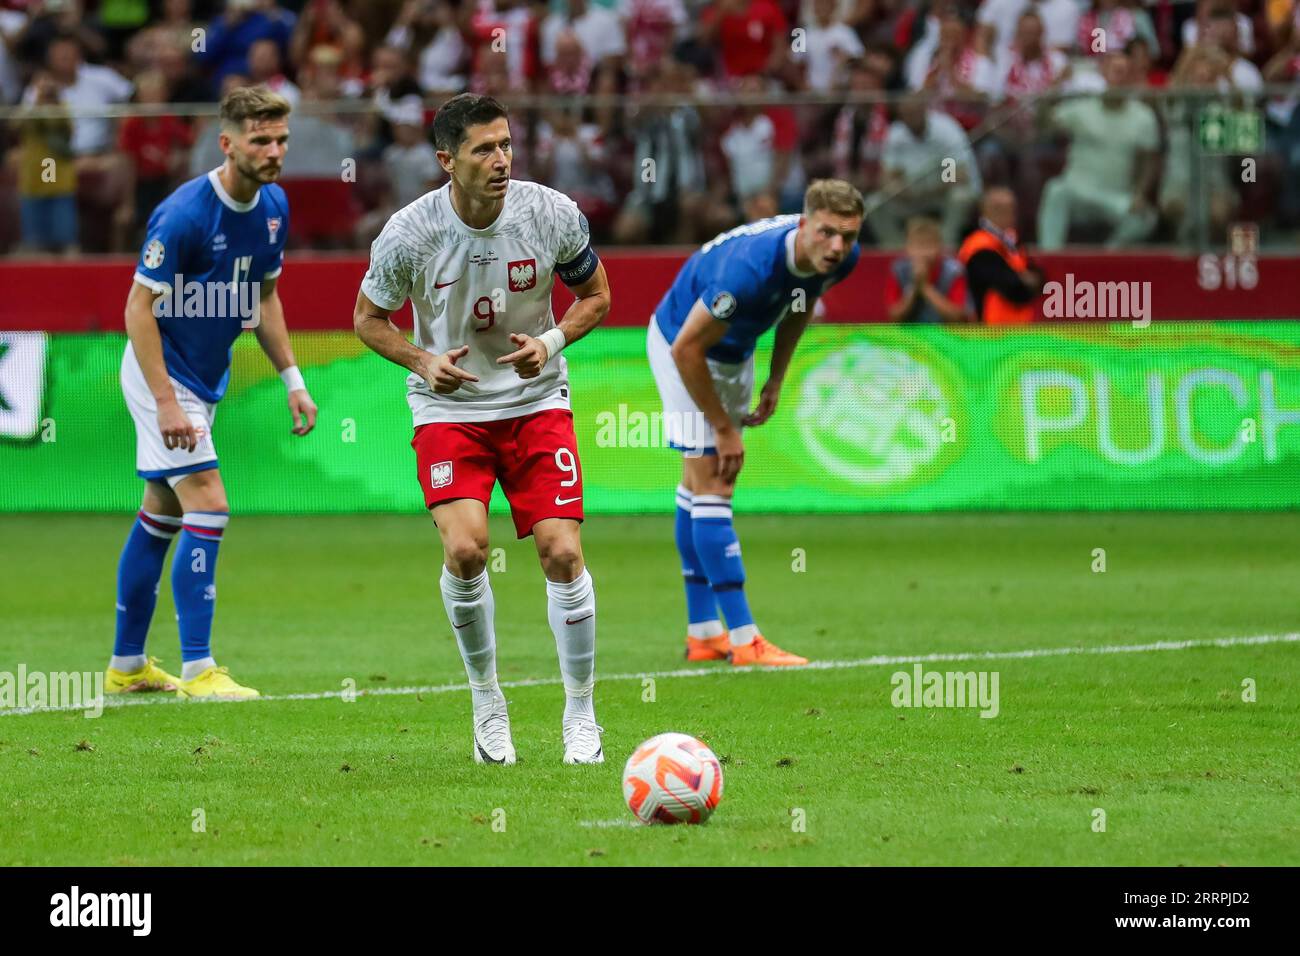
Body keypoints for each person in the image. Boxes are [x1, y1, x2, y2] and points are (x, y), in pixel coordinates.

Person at [352, 94, 612, 766]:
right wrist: (421, 359)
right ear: (446, 160)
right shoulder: (409, 234)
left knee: (561, 552)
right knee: (466, 550)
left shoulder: (550, 213)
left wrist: (551, 342)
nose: (501, 160)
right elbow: (367, 318)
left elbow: (597, 296)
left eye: (505, 145)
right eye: (483, 150)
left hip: (535, 401)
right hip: (450, 410)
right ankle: (486, 701)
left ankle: (581, 712)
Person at [107, 86, 317, 701]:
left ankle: (126, 666)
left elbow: (264, 299)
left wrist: (293, 380)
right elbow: (137, 310)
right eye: (260, 140)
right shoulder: (185, 215)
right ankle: (199, 669)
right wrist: (167, 401)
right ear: (227, 144)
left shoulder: (275, 206)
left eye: (281, 139)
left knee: (162, 514)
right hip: (162, 376)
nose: (274, 151)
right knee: (210, 504)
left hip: (202, 379)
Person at [647, 180, 863, 667]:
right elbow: (687, 350)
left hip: (734, 351)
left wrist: (776, 376)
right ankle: (745, 640)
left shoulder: (840, 259)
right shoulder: (745, 273)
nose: (838, 247)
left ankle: (704, 635)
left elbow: (800, 304)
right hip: (680, 344)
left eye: (848, 236)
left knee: (697, 483)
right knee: (715, 481)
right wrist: (723, 429)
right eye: (827, 233)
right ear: (803, 224)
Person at [958, 186, 1043, 323]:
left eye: (1011, 208)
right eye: (1000, 208)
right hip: (992, 333)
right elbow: (1012, 288)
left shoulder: (1010, 240)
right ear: (986, 210)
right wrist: (1023, 279)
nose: (1009, 213)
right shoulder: (979, 245)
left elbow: (1038, 277)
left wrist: (1024, 279)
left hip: (1018, 329)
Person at [885, 217, 970, 322]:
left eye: (928, 245)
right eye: (918, 245)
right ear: (907, 248)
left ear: (940, 247)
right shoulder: (898, 270)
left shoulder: (954, 271)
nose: (923, 252)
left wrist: (926, 287)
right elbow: (894, 317)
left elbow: (958, 317)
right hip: (908, 336)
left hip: (944, 335)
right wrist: (914, 288)